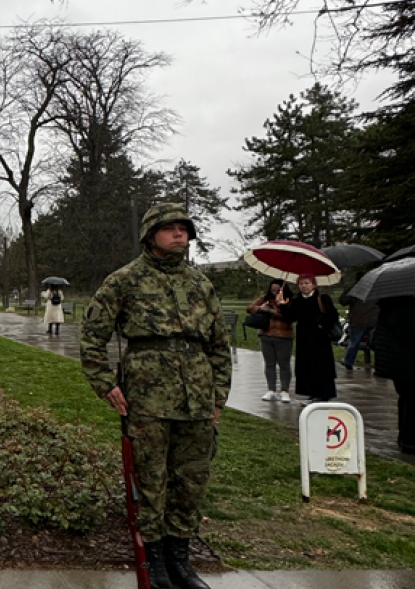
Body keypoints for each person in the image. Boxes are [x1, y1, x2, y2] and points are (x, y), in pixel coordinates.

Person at [81, 203, 231, 589]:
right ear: (151, 235)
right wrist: (105, 383)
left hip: (196, 397)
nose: (179, 234)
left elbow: (219, 344)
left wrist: (218, 397)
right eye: (170, 228)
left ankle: (181, 560)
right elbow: (93, 336)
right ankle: (156, 562)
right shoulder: (124, 280)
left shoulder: (200, 283)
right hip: (147, 398)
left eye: (184, 228)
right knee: (151, 480)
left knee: (191, 481)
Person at [277, 274, 338, 403]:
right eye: (301, 284)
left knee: (321, 366)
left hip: (320, 339)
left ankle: (323, 394)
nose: (303, 286)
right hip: (304, 338)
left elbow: (332, 315)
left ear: (313, 285)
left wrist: (321, 324)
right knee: (306, 366)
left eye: (306, 283)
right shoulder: (297, 300)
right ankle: (311, 393)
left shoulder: (322, 298)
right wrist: (282, 305)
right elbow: (290, 317)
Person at [370, 295, 415, 454]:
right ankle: (409, 442)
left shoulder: (388, 307)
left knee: (405, 399)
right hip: (408, 363)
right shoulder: (409, 309)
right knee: (411, 402)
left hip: (395, 364)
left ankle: (404, 437)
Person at [246, 280, 294, 402]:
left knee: (284, 364)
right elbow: (249, 308)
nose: (275, 292)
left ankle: (285, 390)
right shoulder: (265, 298)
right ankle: (271, 389)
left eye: (278, 290)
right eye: (273, 290)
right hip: (266, 334)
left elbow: (290, 317)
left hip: (284, 335)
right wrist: (261, 308)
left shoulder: (289, 300)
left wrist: (274, 311)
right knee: (269, 364)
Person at [338, 279, 379, 372]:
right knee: (375, 342)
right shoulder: (376, 288)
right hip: (373, 319)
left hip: (357, 320)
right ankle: (378, 364)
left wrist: (349, 289)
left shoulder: (355, 289)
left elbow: (343, 301)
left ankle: (349, 361)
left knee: (354, 342)